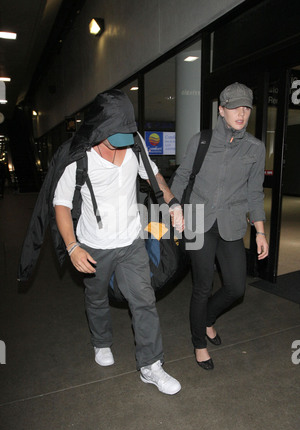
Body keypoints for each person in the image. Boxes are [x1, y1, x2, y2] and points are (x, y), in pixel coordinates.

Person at [53, 89, 184, 395]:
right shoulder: (79, 157)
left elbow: (155, 178)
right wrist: (73, 247)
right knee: (97, 297)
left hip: (130, 241)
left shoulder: (134, 145)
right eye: (118, 135)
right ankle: (101, 341)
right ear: (100, 127)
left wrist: (173, 202)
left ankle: (151, 366)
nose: (126, 142)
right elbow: (60, 204)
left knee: (144, 300)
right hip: (93, 244)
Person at [170, 82, 269, 370]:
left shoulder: (255, 148)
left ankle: (209, 319)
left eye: (246, 107)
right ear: (221, 110)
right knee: (202, 285)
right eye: (235, 107)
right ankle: (199, 342)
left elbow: (254, 193)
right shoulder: (201, 141)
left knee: (236, 288)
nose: (241, 113)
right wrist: (175, 206)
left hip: (232, 224)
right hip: (199, 221)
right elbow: (182, 176)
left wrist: (260, 232)